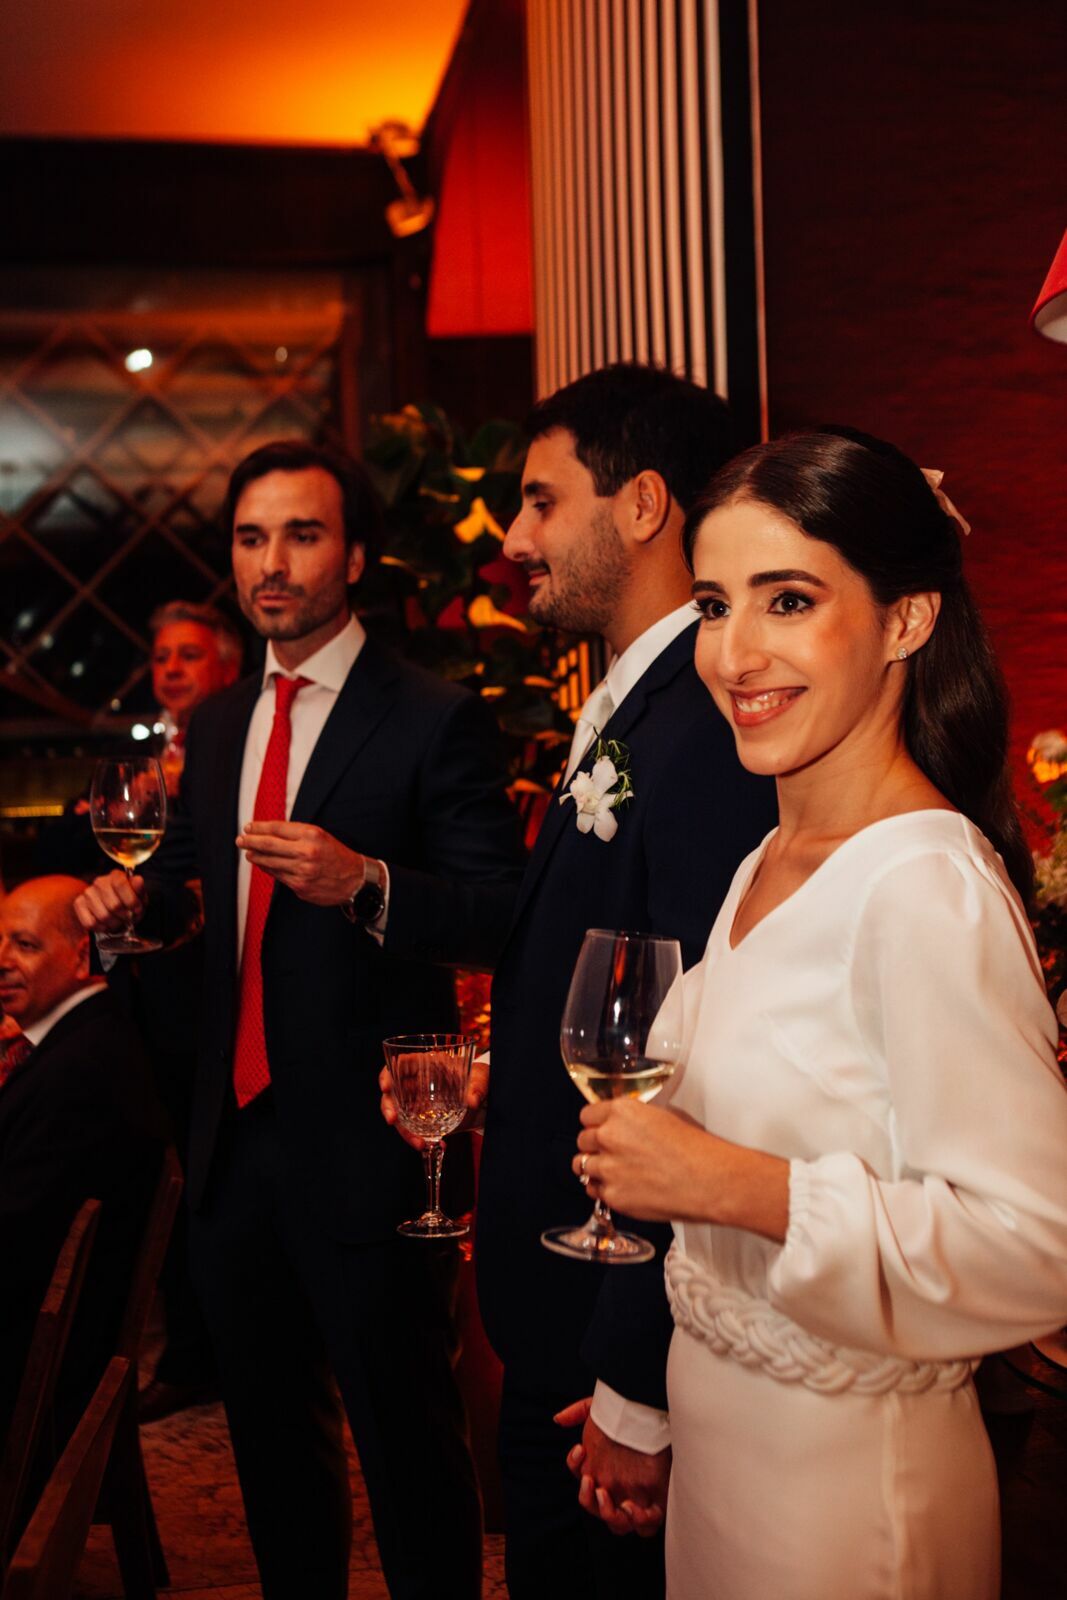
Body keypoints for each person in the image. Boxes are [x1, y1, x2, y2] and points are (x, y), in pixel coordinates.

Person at [571, 427, 1067, 1599]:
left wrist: (728, 1184)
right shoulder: (769, 857)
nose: (733, 652)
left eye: (787, 600)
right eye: (711, 604)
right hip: (730, 1464)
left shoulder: (921, 883)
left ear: (905, 619)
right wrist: (662, 1390)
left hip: (848, 1505)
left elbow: (1039, 1250)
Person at [75, 440, 526, 1600]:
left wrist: (363, 882)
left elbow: (495, 914)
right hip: (233, 1145)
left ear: (355, 556)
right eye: (250, 537)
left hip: (372, 1144)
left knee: (409, 1449)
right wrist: (137, 904)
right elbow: (192, 882)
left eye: (302, 534)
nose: (270, 563)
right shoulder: (223, 721)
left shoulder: (432, 716)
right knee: (274, 1454)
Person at [387, 364, 776, 1599]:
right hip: (560, 1302)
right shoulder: (626, 708)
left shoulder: (702, 727)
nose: (513, 539)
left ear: (644, 503)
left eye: (542, 501)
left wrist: (634, 1382)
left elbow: (703, 1060)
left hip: (608, 1323)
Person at [0, 876, 165, 1446]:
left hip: (37, 1373)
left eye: (25, 945)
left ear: (80, 955)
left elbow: (18, 1245)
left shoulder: (82, 1068)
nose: (2, 962)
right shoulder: (78, 1040)